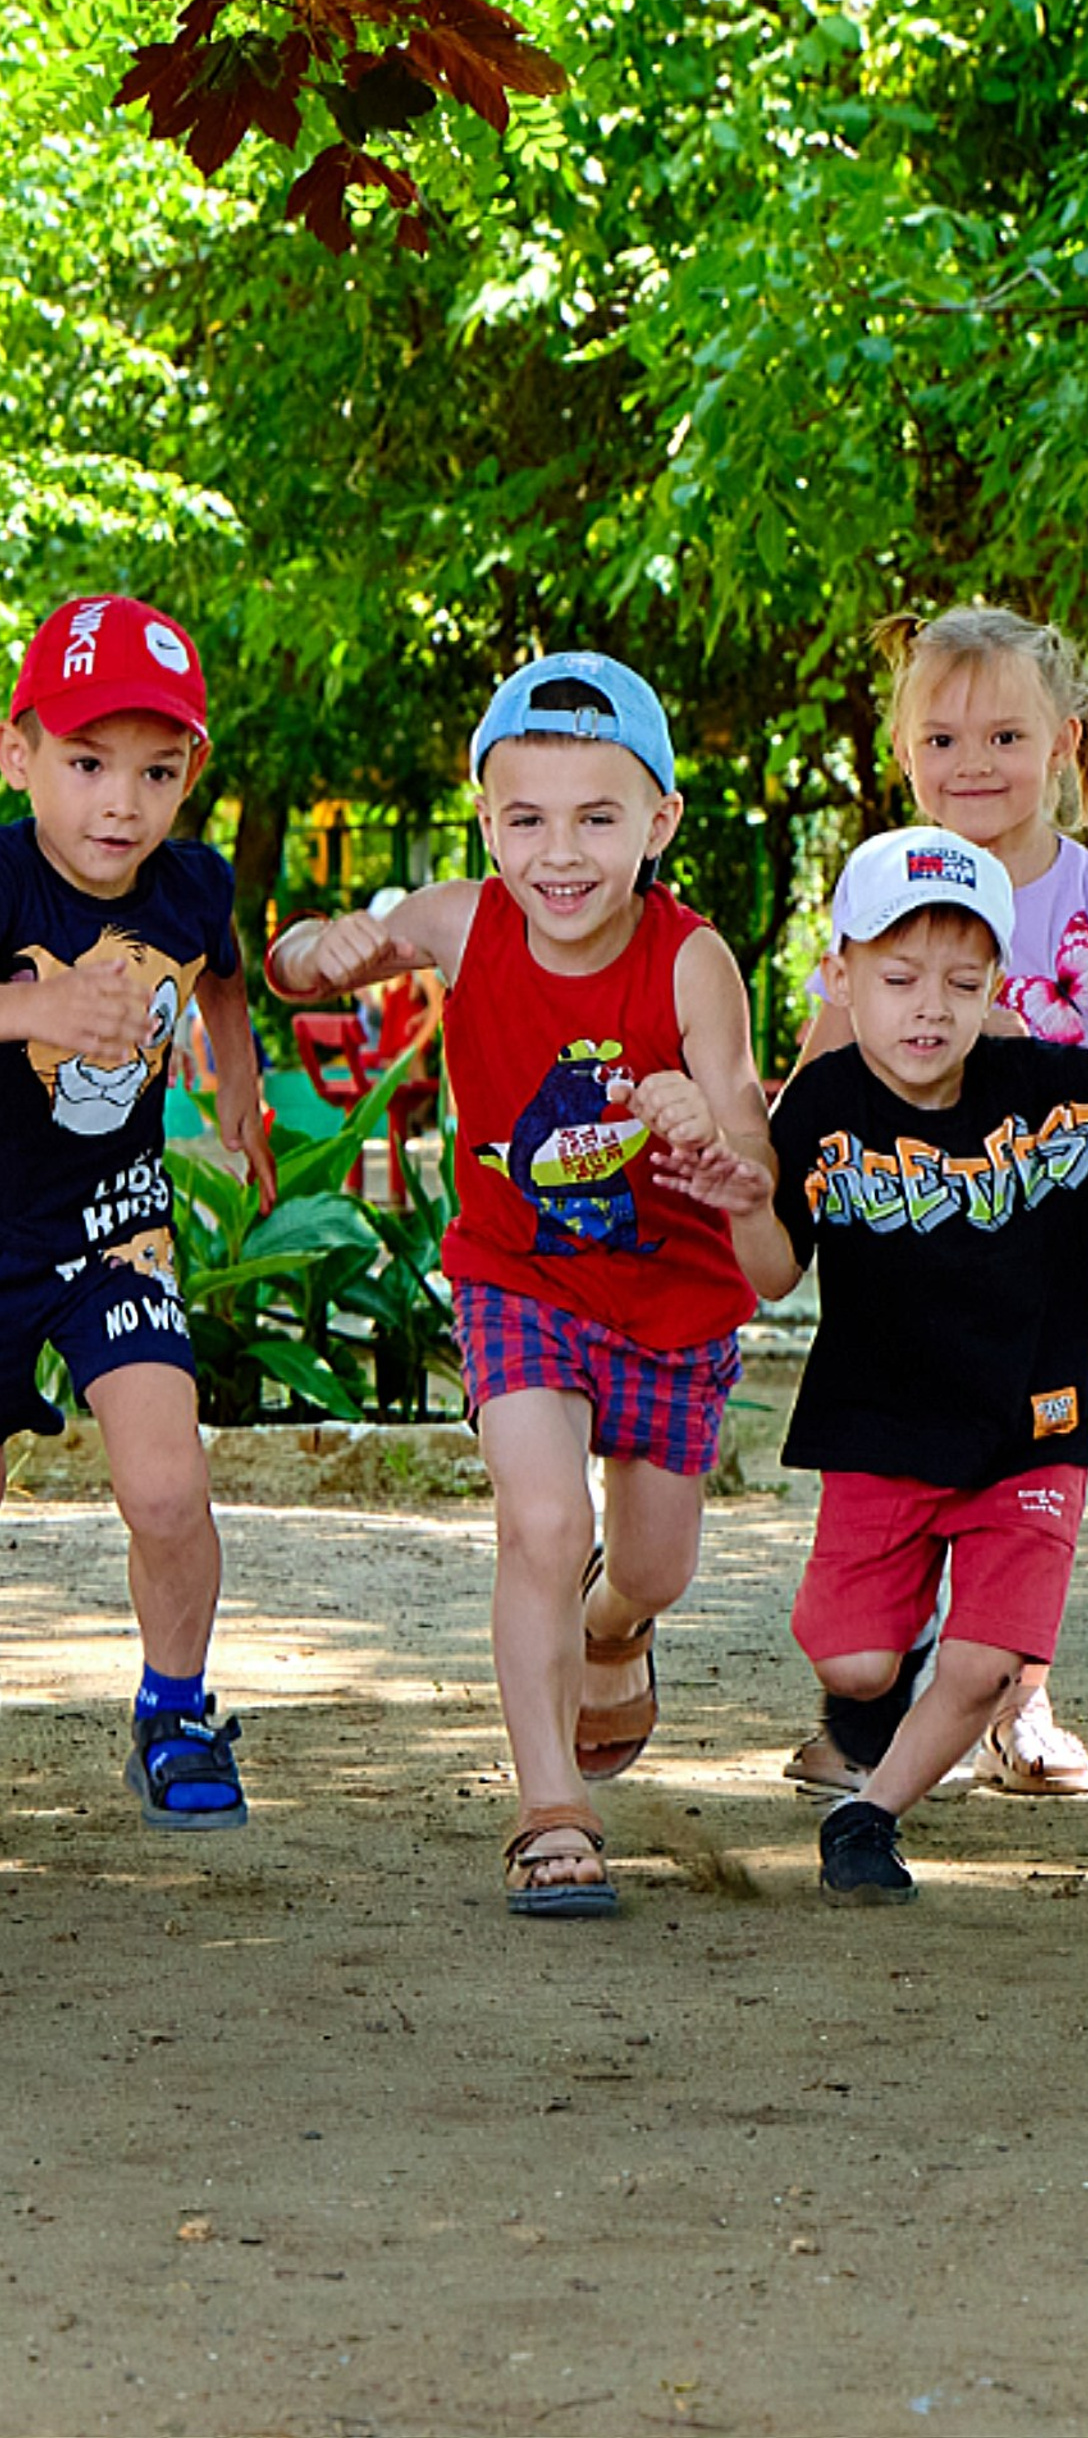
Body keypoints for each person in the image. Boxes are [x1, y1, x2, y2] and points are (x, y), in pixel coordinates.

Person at [267, 653, 767, 1916]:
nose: (560, 852)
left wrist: (704, 1131)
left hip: (671, 1293)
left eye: (597, 818)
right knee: (542, 1523)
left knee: (649, 1564)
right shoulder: (460, 917)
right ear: (486, 821)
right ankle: (551, 1807)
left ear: (656, 824)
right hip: (516, 1275)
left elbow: (750, 1139)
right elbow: (299, 971)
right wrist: (314, 953)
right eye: (525, 818)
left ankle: (615, 1634)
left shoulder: (690, 959)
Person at [0, 593, 276, 1865]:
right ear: (17, 752)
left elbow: (227, 989)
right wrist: (29, 1008)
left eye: (154, 772)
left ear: (189, 774)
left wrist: (238, 1105)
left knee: (165, 1479)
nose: (119, 804)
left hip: (113, 1228)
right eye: (86, 765)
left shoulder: (193, 886)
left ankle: (175, 1708)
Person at [664, 830, 1088, 1898]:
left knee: (985, 1665)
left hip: (1030, 1428)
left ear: (1000, 987)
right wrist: (751, 1204)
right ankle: (896, 1657)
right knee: (853, 1663)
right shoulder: (820, 1104)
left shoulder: (1051, 1091)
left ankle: (868, 1816)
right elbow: (769, 1277)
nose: (928, 1008)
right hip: (880, 1427)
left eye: (961, 980)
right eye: (897, 979)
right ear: (843, 975)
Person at [782, 605, 1088, 1798]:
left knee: (1038, 1491)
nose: (974, 766)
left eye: (1005, 737)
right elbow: (822, 1067)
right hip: (917, 1275)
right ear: (902, 752)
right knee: (909, 1494)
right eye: (942, 739)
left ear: (1065, 742)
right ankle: (888, 1688)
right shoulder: (887, 898)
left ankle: (1022, 1699)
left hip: (1051, 1266)